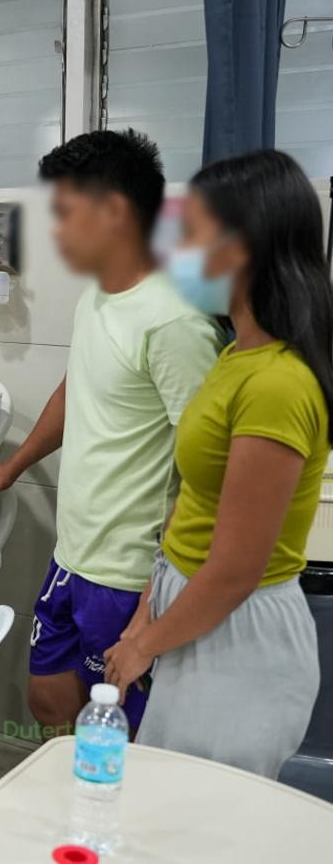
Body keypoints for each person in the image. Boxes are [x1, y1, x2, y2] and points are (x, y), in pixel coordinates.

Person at [0, 130, 223, 736]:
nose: (55, 229)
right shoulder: (98, 298)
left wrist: (150, 607)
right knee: (49, 702)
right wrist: (12, 466)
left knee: (118, 732)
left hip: (129, 575)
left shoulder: (175, 322)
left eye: (65, 212)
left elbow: (208, 474)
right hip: (74, 555)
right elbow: (75, 389)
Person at [104, 150, 329, 777]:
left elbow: (235, 570)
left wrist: (146, 644)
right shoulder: (235, 358)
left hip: (240, 633)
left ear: (242, 247)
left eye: (191, 234)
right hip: (190, 606)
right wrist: (146, 613)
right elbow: (194, 502)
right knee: (169, 798)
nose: (176, 252)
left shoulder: (278, 383)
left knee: (201, 813)